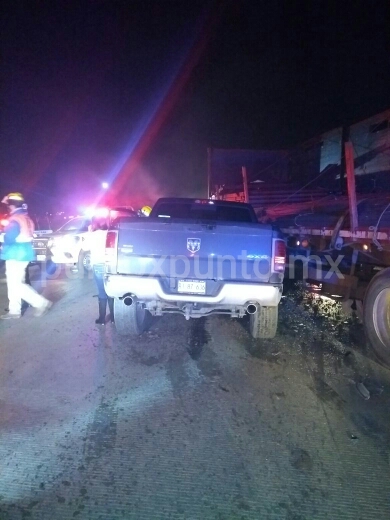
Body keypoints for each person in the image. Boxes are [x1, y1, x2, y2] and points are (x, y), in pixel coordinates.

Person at [0, 192, 52, 319]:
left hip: (15, 254)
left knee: (16, 284)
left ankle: (41, 303)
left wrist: (2, 236)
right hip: (24, 254)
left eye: (8, 205)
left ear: (11, 206)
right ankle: (14, 311)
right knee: (14, 283)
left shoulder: (15, 219)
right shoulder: (26, 217)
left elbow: (9, 238)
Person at [89, 217, 114, 325]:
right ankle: (113, 318)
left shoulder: (92, 235)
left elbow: (85, 247)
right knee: (111, 291)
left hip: (98, 265)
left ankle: (102, 319)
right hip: (109, 265)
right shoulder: (109, 233)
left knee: (102, 292)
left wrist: (89, 232)